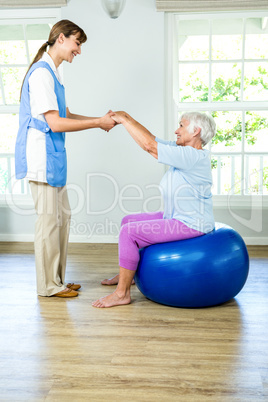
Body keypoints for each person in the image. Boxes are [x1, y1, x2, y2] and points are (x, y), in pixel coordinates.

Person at [15, 20, 116, 298]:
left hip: (53, 156)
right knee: (48, 222)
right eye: (77, 43)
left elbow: (66, 114)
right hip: (42, 159)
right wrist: (98, 122)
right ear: (61, 38)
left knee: (62, 217)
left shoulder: (55, 73)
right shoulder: (42, 74)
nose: (79, 50)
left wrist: (100, 121)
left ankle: (57, 279)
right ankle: (48, 286)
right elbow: (56, 124)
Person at [92, 110, 216, 308]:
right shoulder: (183, 152)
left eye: (182, 126)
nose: (177, 130)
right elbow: (151, 140)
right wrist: (127, 118)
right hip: (176, 217)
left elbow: (150, 146)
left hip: (192, 224)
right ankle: (129, 275)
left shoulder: (192, 156)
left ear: (196, 131)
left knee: (129, 233)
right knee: (128, 221)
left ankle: (122, 294)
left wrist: (123, 119)